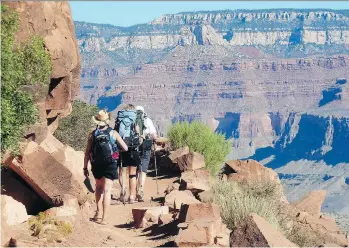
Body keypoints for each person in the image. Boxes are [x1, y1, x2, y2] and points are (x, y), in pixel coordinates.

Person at [84, 110, 128, 225]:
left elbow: (87, 152)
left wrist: (85, 168)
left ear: (97, 121)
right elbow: (125, 148)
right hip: (110, 163)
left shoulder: (93, 134)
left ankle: (98, 213)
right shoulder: (113, 133)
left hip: (97, 164)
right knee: (107, 191)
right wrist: (116, 151)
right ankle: (104, 218)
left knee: (98, 188)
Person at [117, 104, 141, 204]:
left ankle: (123, 191)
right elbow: (138, 135)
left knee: (121, 171)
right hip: (133, 148)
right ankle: (132, 197)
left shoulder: (120, 119)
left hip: (122, 148)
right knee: (132, 174)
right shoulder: (134, 120)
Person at [135, 105, 158, 202]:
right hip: (146, 144)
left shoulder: (132, 120)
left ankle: (134, 192)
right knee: (143, 169)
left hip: (135, 144)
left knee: (136, 168)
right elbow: (154, 135)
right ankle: (141, 189)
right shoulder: (147, 120)